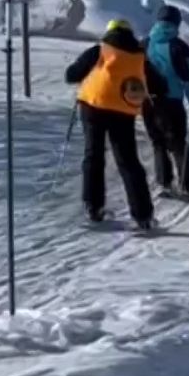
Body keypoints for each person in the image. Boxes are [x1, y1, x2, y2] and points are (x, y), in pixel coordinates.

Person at [64, 18, 166, 231]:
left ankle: (94, 207)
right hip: (123, 111)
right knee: (128, 162)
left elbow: (71, 75)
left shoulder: (100, 50)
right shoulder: (140, 57)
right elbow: (160, 85)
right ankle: (143, 215)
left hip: (92, 106)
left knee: (93, 155)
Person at [142, 5, 189, 198]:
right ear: (177, 23)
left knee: (157, 142)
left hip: (148, 102)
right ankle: (188, 184)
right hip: (172, 102)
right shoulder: (179, 47)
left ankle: (164, 182)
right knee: (178, 143)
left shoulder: (144, 43)